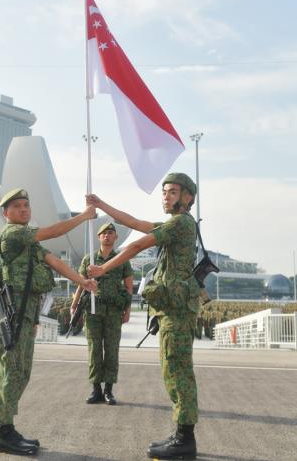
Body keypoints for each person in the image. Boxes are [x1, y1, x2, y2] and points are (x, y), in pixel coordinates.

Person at [87, 173, 201, 460]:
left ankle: (185, 439)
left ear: (187, 197)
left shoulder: (181, 223)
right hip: (171, 310)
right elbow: (134, 223)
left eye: (173, 191)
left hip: (176, 312)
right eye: (164, 191)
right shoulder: (176, 225)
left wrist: (103, 269)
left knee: (178, 373)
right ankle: (181, 435)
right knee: (172, 371)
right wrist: (102, 204)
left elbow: (137, 244)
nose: (166, 196)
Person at [0, 188, 97, 456]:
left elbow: (54, 261)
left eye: (27, 205)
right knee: (11, 370)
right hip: (15, 314)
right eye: (17, 206)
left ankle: (8, 427)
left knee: (21, 371)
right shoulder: (13, 234)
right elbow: (53, 232)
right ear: (6, 214)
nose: (24, 209)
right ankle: (2, 432)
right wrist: (84, 216)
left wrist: (82, 282)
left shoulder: (29, 242)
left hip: (25, 313)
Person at [70, 222, 133, 405]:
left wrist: (127, 310)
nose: (107, 235)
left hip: (114, 311)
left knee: (112, 350)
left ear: (115, 237)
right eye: (103, 233)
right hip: (92, 310)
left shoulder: (122, 259)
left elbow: (129, 286)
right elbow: (81, 283)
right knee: (94, 350)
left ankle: (109, 391)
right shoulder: (89, 259)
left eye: (110, 233)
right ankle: (96, 389)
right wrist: (74, 305)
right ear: (98, 237)